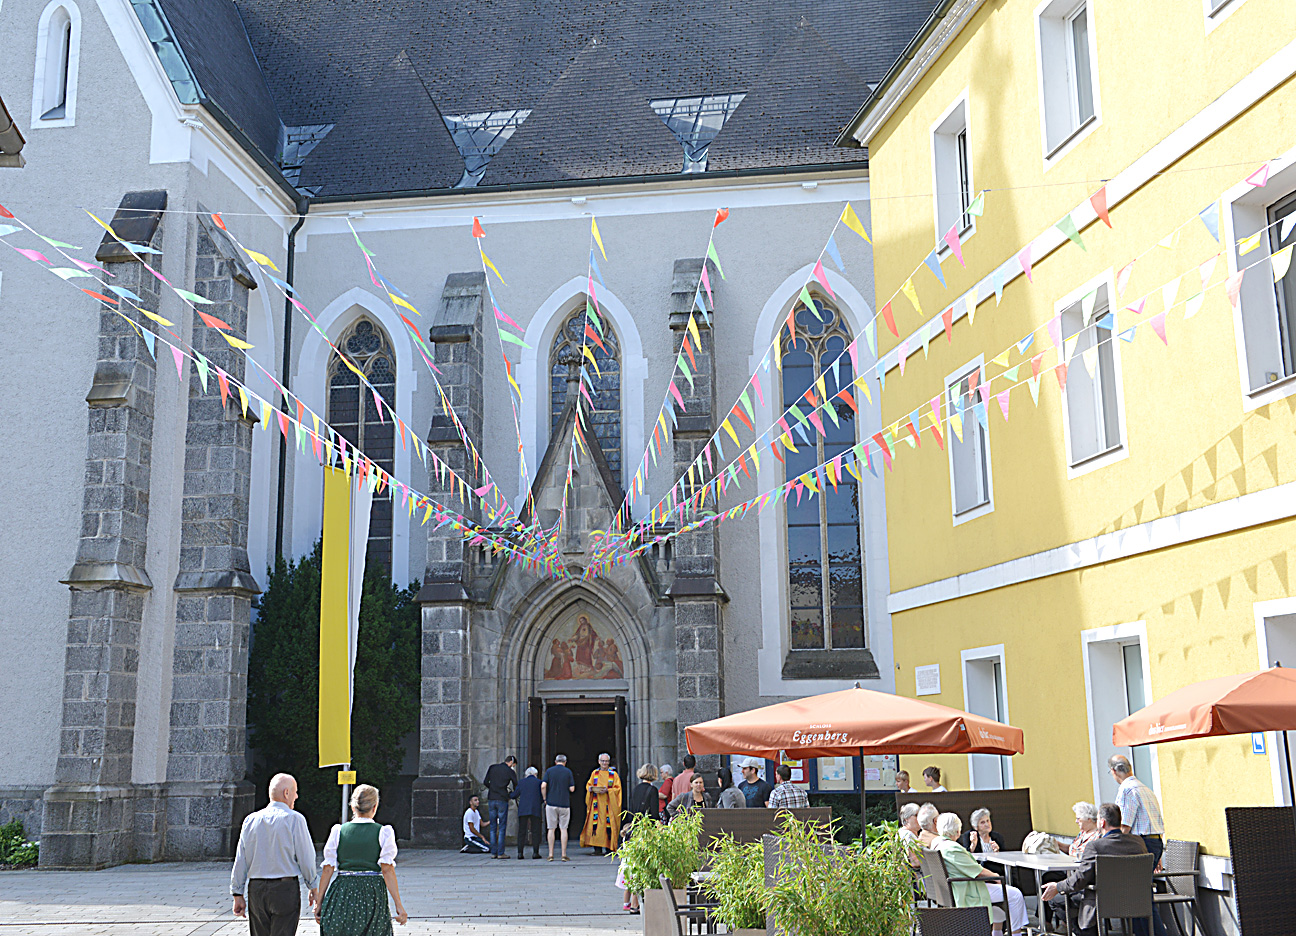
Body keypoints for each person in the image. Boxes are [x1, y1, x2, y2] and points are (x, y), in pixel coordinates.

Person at [1042, 802, 1152, 936]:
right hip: (1135, 899)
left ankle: (1086, 932)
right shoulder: (1138, 842)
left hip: (1102, 900)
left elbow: (1080, 879)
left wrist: (1058, 886)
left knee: (1056, 900)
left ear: (1103, 822)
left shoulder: (1095, 846)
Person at [230, 773, 320, 936]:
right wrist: (313, 886)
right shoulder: (295, 819)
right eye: (295, 792)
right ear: (287, 793)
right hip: (284, 889)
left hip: (256, 889)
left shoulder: (250, 820)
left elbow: (241, 859)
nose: (297, 796)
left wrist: (237, 893)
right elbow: (306, 858)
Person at [316, 784, 408, 934]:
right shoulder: (383, 832)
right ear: (375, 806)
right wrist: (398, 905)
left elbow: (327, 869)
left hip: (343, 890)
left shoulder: (338, 831)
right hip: (372, 893)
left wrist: (319, 902)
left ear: (353, 807)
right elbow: (387, 869)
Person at [934, 812, 1028, 935]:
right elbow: (978, 872)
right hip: (966, 891)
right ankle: (1016, 934)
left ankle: (997, 933)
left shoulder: (937, 844)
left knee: (998, 909)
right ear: (956, 829)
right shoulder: (952, 848)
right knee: (1015, 895)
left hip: (955, 888)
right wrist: (995, 877)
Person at [1110, 754, 1169, 936]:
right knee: (1139, 895)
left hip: (1139, 845)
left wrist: (1111, 845)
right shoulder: (1145, 788)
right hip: (1153, 842)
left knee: (1138, 897)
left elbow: (1124, 826)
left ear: (1113, 771)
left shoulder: (1127, 790)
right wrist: (1156, 854)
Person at [620, 764, 661, 913]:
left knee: (634, 867)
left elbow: (631, 810)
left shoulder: (635, 789)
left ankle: (630, 902)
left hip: (633, 830)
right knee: (644, 868)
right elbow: (654, 815)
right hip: (646, 832)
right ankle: (635, 904)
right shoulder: (653, 790)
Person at [580, 752, 622, 855]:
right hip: (596, 805)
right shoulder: (595, 773)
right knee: (596, 827)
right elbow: (589, 784)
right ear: (599, 762)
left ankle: (609, 849)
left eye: (606, 761)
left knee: (608, 826)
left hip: (609, 806)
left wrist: (608, 790)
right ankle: (597, 849)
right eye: (602, 761)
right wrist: (590, 789)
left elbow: (618, 789)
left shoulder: (613, 774)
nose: (604, 763)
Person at [542, 753, 576, 861]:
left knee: (551, 829)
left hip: (551, 803)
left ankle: (551, 854)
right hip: (564, 804)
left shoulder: (549, 771)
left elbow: (543, 785)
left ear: (555, 762)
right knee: (563, 829)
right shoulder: (568, 772)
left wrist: (545, 798)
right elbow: (572, 789)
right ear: (565, 762)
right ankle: (563, 854)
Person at [483, 755, 518, 859]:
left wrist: (493, 788)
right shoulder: (510, 772)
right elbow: (516, 785)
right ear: (511, 763)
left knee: (493, 827)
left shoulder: (492, 767)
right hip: (502, 799)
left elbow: (485, 782)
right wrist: (511, 794)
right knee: (502, 827)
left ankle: (493, 852)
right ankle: (501, 853)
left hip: (491, 798)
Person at [513, 766, 544, 860]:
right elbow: (542, 795)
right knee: (535, 831)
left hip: (523, 809)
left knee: (522, 831)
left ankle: (520, 853)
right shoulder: (539, 782)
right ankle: (535, 852)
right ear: (535, 774)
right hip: (535, 809)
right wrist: (540, 802)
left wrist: (508, 794)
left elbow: (515, 794)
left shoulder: (521, 782)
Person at [898, 802, 922, 868]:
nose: (920, 818)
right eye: (916, 815)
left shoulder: (901, 832)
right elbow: (915, 863)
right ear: (906, 818)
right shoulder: (908, 835)